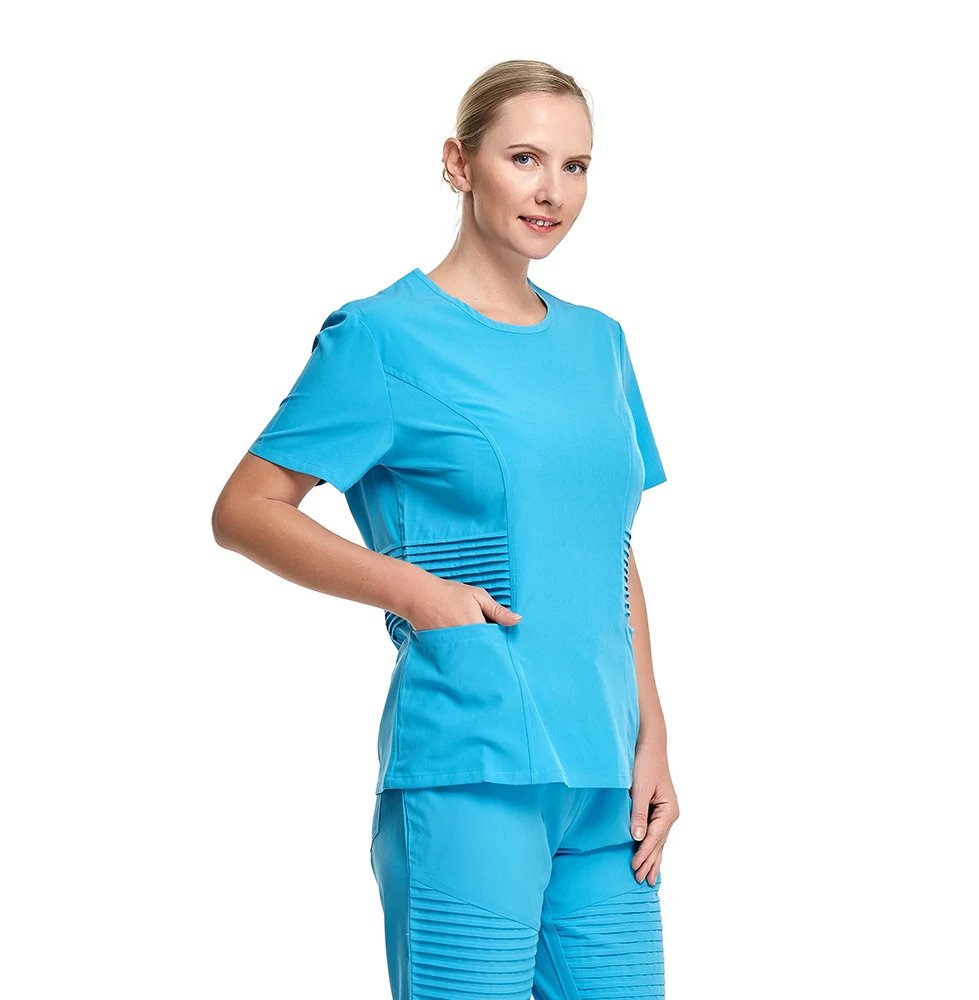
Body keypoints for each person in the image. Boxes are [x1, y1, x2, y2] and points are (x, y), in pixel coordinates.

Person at [213, 58, 679, 1000]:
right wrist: (416, 592)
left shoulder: (601, 343)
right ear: (460, 165)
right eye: (524, 158)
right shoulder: (382, 336)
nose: (552, 191)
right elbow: (244, 509)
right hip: (472, 762)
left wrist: (654, 733)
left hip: (607, 778)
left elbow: (610, 544)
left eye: (576, 166)